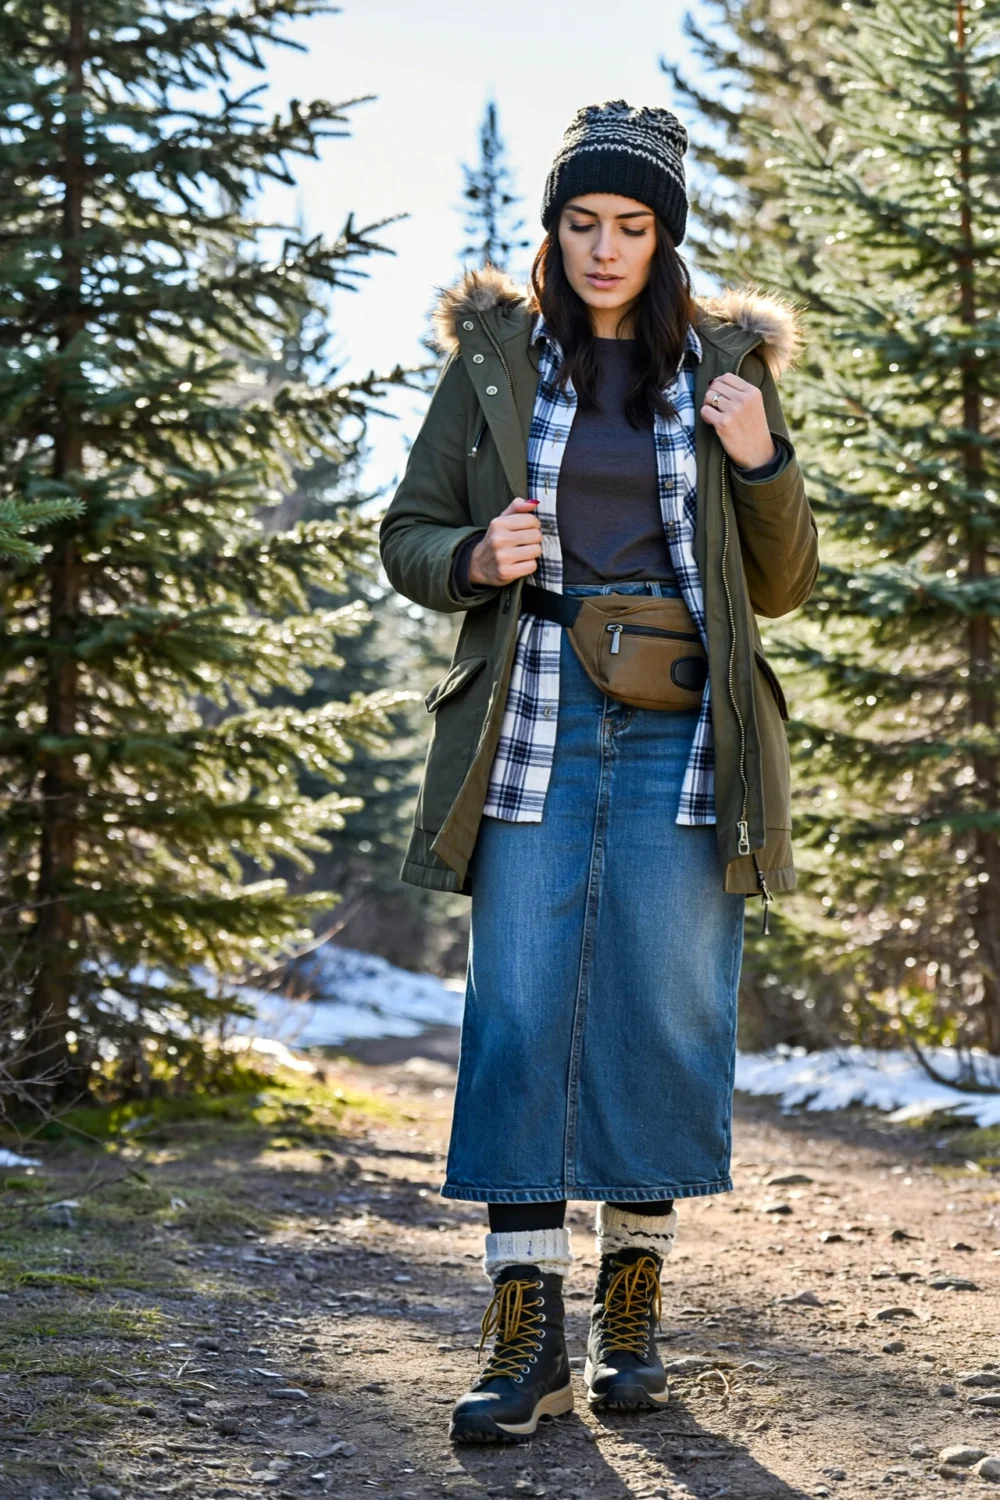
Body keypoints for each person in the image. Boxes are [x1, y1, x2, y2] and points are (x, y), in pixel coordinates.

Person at [379, 100, 818, 1444]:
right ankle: (528, 1332)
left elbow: (789, 584)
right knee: (518, 1004)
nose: (606, 248)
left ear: (665, 234)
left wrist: (762, 460)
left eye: (632, 225)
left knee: (661, 1004)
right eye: (584, 223)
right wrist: (474, 558)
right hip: (537, 715)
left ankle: (633, 1314)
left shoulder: (727, 367)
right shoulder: (498, 361)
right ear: (554, 230)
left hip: (690, 728)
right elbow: (409, 533)